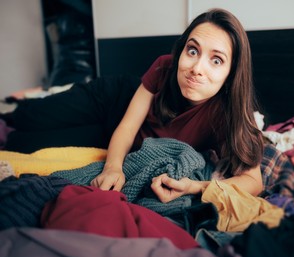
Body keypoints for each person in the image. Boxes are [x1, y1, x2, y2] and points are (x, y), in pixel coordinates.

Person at [2, 8, 264, 202]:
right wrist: (113, 168)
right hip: (112, 101)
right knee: (28, 116)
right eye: (192, 51)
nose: (197, 69)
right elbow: (127, 127)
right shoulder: (165, 66)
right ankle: (21, 104)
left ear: (232, 72)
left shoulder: (231, 115)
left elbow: (254, 182)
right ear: (182, 50)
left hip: (109, 137)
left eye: (216, 60)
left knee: (20, 144)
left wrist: (196, 187)